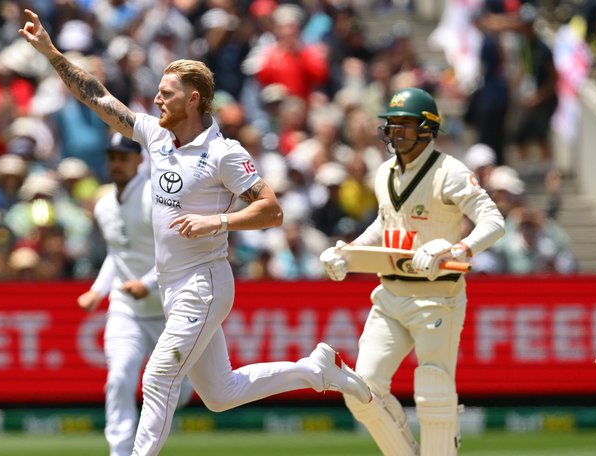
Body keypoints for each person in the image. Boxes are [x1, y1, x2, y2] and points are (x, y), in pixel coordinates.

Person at [20, 10, 370, 456]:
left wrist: (217, 221)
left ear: (194, 99)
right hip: (173, 285)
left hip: (203, 284)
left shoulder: (224, 154)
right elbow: (98, 98)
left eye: (167, 95)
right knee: (221, 394)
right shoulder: (155, 136)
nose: (157, 101)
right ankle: (316, 372)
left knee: (157, 377)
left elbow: (272, 210)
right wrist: (51, 53)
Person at [319, 87, 505, 455]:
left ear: (427, 128)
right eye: (393, 124)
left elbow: (494, 221)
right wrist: (349, 251)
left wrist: (456, 248)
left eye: (406, 124)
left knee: (433, 390)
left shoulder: (449, 172)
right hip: (389, 295)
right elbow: (386, 224)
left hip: (438, 297)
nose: (397, 132)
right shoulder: (385, 171)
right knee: (362, 389)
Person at [76, 133, 194, 456]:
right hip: (126, 309)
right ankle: (120, 451)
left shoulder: (155, 199)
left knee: (178, 389)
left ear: (139, 161)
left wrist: (147, 283)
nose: (116, 163)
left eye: (123, 157)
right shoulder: (103, 206)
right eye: (112, 157)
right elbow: (117, 255)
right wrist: (97, 291)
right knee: (120, 377)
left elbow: (174, 254)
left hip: (169, 310)